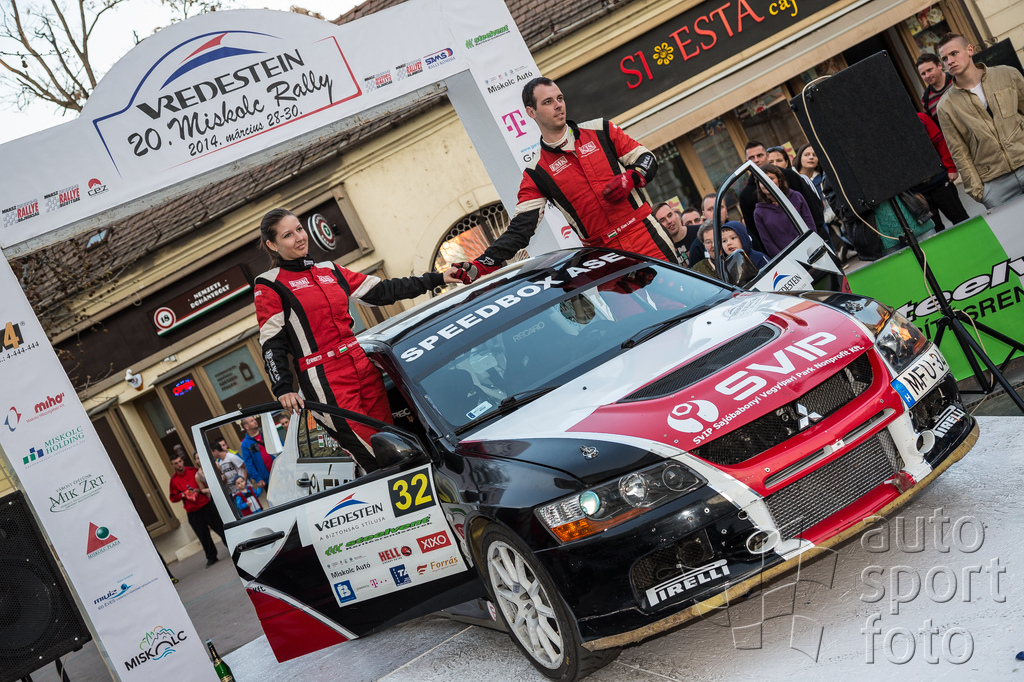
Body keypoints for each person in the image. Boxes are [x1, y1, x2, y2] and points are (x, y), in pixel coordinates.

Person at [254, 208, 459, 473]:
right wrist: (283, 388)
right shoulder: (269, 284)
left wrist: (439, 278)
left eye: (300, 229)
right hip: (325, 377)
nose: (299, 237)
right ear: (273, 245)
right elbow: (272, 343)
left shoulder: (329, 270)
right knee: (377, 455)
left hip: (360, 363)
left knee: (393, 442)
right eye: (288, 235)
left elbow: (384, 291)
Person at [448, 77, 677, 284]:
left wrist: (632, 177)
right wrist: (483, 264)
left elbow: (647, 158)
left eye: (560, 98)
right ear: (531, 112)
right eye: (548, 102)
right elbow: (520, 229)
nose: (558, 105)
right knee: (634, 317)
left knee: (684, 301)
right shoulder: (537, 171)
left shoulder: (600, 129)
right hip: (604, 256)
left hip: (645, 234)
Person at [936, 33, 1024, 208]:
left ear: (969, 50)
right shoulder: (946, 106)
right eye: (945, 58)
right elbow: (959, 152)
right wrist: (978, 191)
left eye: (954, 53)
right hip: (996, 184)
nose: (950, 61)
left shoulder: (1007, 74)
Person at [740, 141, 827, 248]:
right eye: (751, 158)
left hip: (815, 241)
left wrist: (815, 236)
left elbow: (813, 205)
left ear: (767, 156)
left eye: (760, 155)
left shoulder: (789, 175)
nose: (756, 160)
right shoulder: (746, 196)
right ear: (746, 162)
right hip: (783, 254)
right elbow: (755, 233)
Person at [168, 445, 225, 568]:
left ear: (182, 461)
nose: (179, 464)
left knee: (219, 527)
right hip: (192, 511)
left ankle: (232, 546)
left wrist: (198, 490)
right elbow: (172, 498)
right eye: (176, 463)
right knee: (203, 535)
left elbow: (203, 483)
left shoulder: (193, 471)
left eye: (180, 461)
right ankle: (211, 557)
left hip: (205, 504)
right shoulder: (173, 480)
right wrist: (183, 494)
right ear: (172, 466)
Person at [916, 112, 969, 231]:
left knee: (961, 220)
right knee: (934, 231)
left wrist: (951, 167)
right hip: (918, 193)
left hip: (940, 180)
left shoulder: (921, 118)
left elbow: (940, 143)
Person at [753, 164, 816, 257]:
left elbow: (810, 224)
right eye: (761, 180)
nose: (766, 182)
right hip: (787, 259)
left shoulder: (796, 196)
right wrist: (785, 259)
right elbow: (768, 243)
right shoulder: (759, 212)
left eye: (771, 178)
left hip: (810, 250)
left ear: (779, 180)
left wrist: (813, 246)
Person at [690, 221, 767, 279]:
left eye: (716, 240)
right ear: (703, 244)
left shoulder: (758, 258)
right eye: (708, 242)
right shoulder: (698, 270)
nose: (713, 245)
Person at [917, 52, 954, 123]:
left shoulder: (956, 79)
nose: (927, 76)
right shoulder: (925, 98)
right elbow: (933, 124)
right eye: (923, 74)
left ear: (939, 65)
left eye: (929, 70)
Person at [239, 415, 272, 491]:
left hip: (280, 471)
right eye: (252, 421)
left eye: (254, 419)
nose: (255, 421)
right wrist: (257, 479)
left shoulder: (267, 433)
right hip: (267, 479)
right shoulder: (245, 444)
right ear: (246, 426)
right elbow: (248, 464)